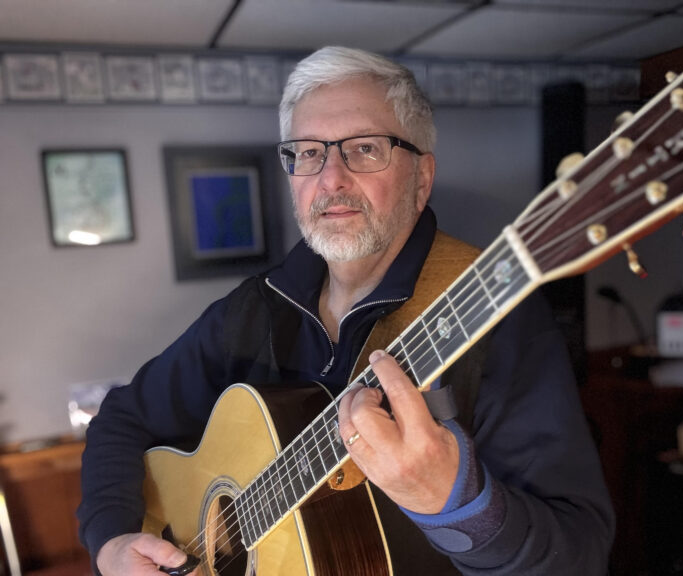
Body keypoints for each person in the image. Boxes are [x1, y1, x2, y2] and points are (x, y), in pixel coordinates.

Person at [77, 46, 614, 575]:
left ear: (421, 178)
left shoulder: (498, 317)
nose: (330, 178)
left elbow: (580, 549)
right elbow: (122, 419)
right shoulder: (253, 309)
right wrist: (111, 542)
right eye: (308, 152)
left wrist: (455, 502)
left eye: (364, 148)